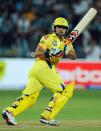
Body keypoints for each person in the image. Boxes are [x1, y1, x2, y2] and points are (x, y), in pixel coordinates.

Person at [2, 17, 76, 126]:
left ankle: (9, 112)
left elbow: (73, 56)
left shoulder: (67, 43)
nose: (61, 29)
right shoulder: (47, 38)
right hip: (43, 66)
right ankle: (47, 116)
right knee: (63, 91)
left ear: (66, 30)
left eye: (63, 28)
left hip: (40, 69)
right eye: (58, 27)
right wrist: (50, 53)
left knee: (31, 96)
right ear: (54, 28)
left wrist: (65, 49)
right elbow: (38, 53)